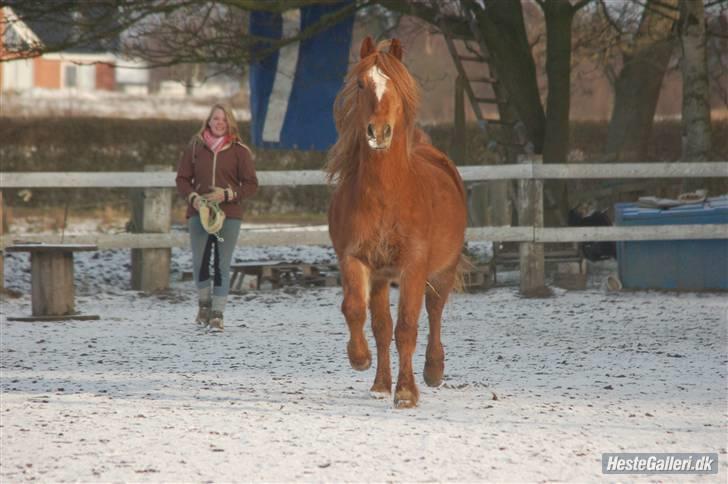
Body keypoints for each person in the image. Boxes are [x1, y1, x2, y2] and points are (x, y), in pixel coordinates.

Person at [176, 104, 258, 331]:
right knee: (200, 261)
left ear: (229, 122)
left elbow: (251, 184)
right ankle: (204, 305)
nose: (219, 122)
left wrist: (228, 194)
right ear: (208, 121)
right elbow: (182, 179)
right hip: (199, 214)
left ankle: (218, 313)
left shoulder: (240, 151)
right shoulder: (194, 148)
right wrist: (193, 197)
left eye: (223, 119)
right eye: (215, 118)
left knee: (222, 263)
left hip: (228, 216)